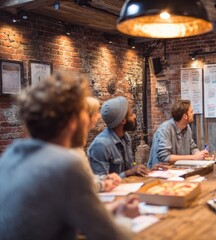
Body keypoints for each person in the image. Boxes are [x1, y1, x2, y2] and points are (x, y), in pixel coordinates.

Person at [0, 73, 134, 240]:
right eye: (84, 113)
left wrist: (110, 209)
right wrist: (126, 217)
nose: (93, 118)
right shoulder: (66, 164)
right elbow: (112, 235)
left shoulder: (10, 155)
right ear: (72, 121)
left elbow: (66, 215)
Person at [88, 96, 151, 178]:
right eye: (131, 114)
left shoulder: (125, 137)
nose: (134, 116)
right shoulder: (100, 145)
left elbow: (129, 171)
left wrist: (151, 171)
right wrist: (128, 173)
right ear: (123, 121)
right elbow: (101, 182)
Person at [71, 96, 121, 192]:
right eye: (96, 113)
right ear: (86, 117)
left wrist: (102, 178)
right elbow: (78, 183)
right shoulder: (73, 145)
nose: (99, 116)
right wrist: (103, 184)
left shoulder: (77, 143)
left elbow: (84, 177)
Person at [147, 99, 208, 168]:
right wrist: (194, 157)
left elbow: (192, 147)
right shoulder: (165, 129)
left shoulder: (187, 128)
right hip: (160, 173)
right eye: (191, 112)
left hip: (177, 170)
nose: (193, 113)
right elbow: (165, 157)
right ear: (185, 116)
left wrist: (199, 154)